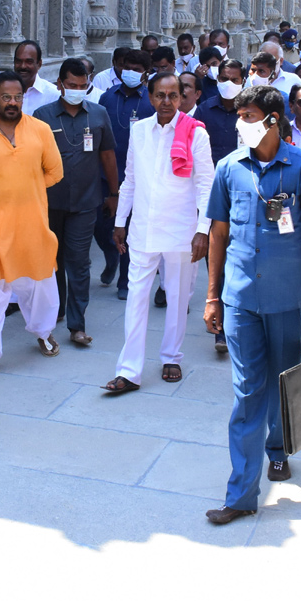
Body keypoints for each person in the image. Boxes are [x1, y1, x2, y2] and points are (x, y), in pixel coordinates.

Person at [203, 86, 301, 524]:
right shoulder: (228, 168)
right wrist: (211, 296)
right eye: (239, 115)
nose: (241, 123)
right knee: (247, 391)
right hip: (240, 300)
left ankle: (278, 448)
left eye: (250, 115)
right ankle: (240, 494)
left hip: (287, 299)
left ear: (273, 120)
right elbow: (217, 236)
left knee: (283, 382)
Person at [103, 74, 213, 393]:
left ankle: (171, 357)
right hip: (142, 231)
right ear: (150, 98)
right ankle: (129, 371)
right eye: (160, 95)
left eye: (173, 96)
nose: (167, 102)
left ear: (182, 98)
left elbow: (206, 185)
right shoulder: (139, 131)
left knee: (178, 298)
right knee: (136, 298)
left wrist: (202, 229)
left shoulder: (196, 134)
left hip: (181, 230)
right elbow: (131, 179)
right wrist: (120, 221)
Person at [0, 72, 64, 379]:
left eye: (17, 97)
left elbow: (55, 172)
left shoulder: (40, 130)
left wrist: (25, 189)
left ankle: (43, 332)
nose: (12, 103)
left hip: (33, 225)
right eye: (5, 97)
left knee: (40, 286)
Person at [35, 59, 119, 346]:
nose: (77, 91)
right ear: (60, 84)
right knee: (51, 260)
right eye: (72, 86)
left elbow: (108, 156)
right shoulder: (41, 116)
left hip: (86, 201)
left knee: (79, 262)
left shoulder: (98, 114)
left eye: (83, 87)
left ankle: (77, 325)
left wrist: (114, 194)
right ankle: (54, 309)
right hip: (49, 202)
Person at [97, 50, 155, 298]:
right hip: (103, 174)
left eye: (136, 69)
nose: (130, 72)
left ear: (145, 74)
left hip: (137, 176)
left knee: (129, 229)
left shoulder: (151, 101)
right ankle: (111, 256)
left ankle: (124, 280)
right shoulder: (107, 97)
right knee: (100, 226)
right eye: (127, 67)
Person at [0, 40, 60, 121]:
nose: (23, 66)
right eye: (18, 61)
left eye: (29, 62)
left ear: (39, 64)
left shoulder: (53, 95)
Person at [195, 59, 243, 164]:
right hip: (210, 171)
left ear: (242, 82)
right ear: (217, 79)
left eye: (234, 80)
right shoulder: (204, 110)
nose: (229, 84)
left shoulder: (250, 112)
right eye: (224, 79)